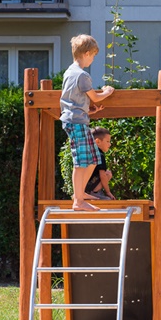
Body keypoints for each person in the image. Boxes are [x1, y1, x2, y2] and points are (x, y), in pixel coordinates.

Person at [60, 34, 115, 211]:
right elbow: (96, 97)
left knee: (92, 159)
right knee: (80, 162)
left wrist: (88, 110)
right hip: (76, 122)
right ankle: (78, 200)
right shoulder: (82, 75)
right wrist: (107, 91)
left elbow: (72, 100)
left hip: (76, 118)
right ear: (86, 53)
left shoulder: (68, 72)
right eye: (93, 55)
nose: (92, 59)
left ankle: (80, 194)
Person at [85, 127, 116, 201]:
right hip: (89, 188)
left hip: (82, 187)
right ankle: (95, 193)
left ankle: (90, 192)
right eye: (107, 141)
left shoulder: (88, 152)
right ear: (98, 141)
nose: (110, 144)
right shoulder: (99, 155)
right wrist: (108, 192)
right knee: (107, 173)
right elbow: (102, 175)